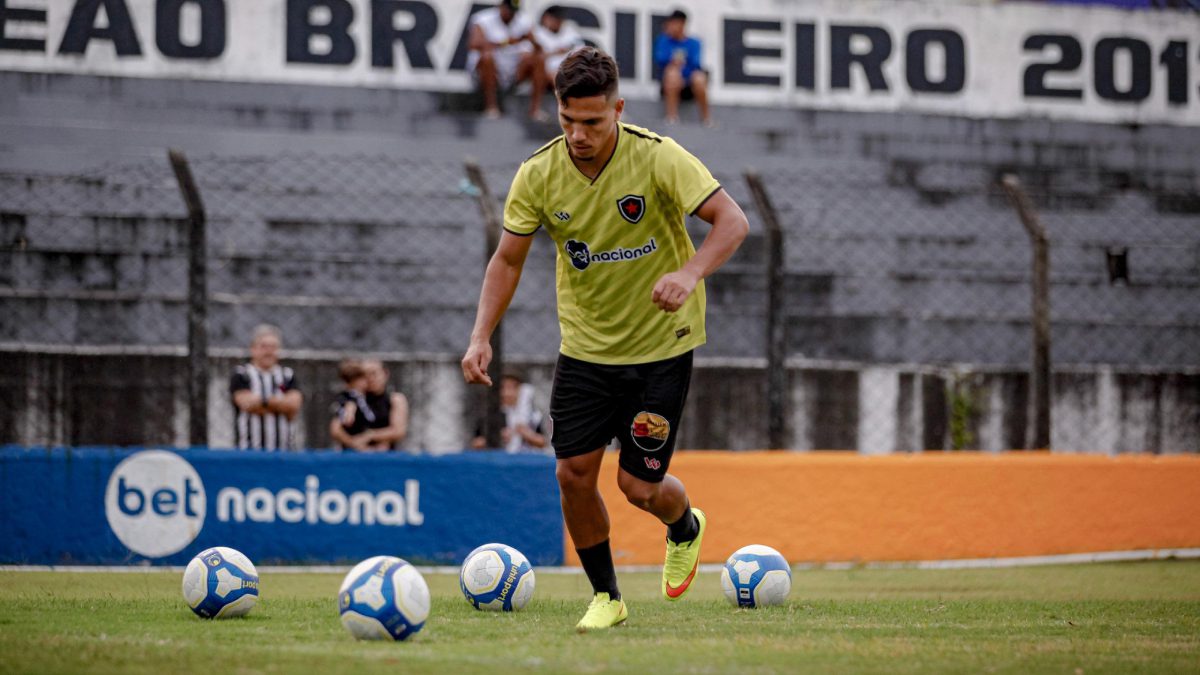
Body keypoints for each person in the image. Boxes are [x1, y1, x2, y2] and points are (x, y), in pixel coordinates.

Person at [460, 46, 749, 631]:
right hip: (587, 350)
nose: (578, 135)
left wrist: (689, 272)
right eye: (568, 121)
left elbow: (733, 222)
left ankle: (685, 524)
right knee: (571, 474)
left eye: (592, 122)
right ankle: (607, 598)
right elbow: (508, 260)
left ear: (617, 108)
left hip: (663, 346)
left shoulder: (659, 157)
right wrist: (480, 335)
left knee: (638, 488)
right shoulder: (538, 172)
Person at [467, 0, 547, 120]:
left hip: (513, 70)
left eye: (514, 11)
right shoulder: (482, 19)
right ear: (501, 7)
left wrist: (532, 41)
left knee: (538, 60)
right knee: (487, 57)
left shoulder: (524, 21)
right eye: (508, 10)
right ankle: (491, 107)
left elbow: (539, 50)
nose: (511, 14)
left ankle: (535, 110)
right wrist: (505, 42)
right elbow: (473, 44)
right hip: (486, 71)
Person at [230, 324, 303, 451]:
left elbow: (294, 405)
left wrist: (261, 403)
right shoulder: (242, 374)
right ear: (253, 349)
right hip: (249, 451)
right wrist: (280, 404)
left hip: (284, 452)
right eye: (263, 347)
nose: (268, 351)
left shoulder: (287, 375)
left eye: (273, 347)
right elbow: (246, 403)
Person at [330, 359, 410, 452]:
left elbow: (398, 431)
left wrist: (369, 436)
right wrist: (353, 443)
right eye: (365, 375)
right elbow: (335, 429)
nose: (370, 378)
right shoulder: (352, 398)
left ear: (385, 373)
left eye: (374, 373)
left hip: (384, 455)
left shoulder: (395, 399)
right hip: (354, 453)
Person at [653, 9, 712, 126]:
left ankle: (706, 119)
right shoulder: (663, 40)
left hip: (689, 85)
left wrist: (682, 68)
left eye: (674, 23)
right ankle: (672, 117)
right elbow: (660, 60)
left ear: (682, 24)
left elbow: (696, 64)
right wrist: (675, 64)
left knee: (699, 78)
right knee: (672, 73)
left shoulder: (694, 43)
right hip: (669, 84)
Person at [470, 370, 549, 453]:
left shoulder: (533, 416)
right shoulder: (489, 415)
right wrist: (496, 438)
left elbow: (543, 442)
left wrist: (526, 434)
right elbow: (475, 444)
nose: (506, 393)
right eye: (503, 388)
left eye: (511, 388)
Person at [533, 6, 584, 82]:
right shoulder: (537, 33)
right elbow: (534, 56)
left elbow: (580, 50)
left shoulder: (570, 31)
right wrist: (555, 52)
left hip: (567, 69)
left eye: (559, 19)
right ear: (546, 18)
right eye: (554, 18)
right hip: (545, 71)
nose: (557, 22)